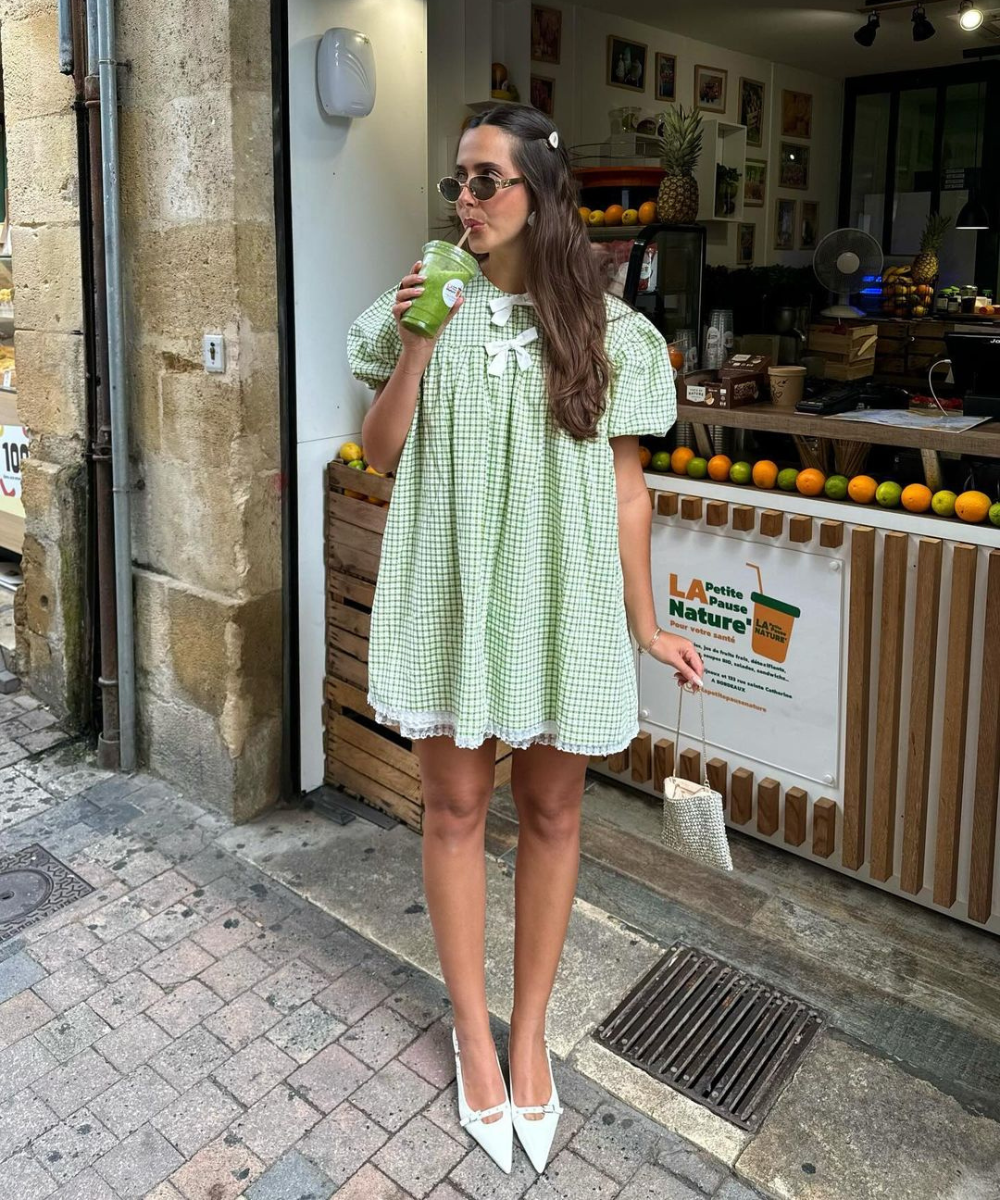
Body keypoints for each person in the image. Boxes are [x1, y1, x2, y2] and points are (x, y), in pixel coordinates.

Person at [347, 103, 704, 1176]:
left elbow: (628, 493)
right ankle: (472, 1031)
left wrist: (645, 619)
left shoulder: (614, 333)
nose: (464, 199)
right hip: (451, 594)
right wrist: (412, 346)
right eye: (457, 180)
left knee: (551, 814)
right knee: (454, 810)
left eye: (486, 181)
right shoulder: (421, 303)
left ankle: (531, 1028)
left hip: (562, 600)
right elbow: (378, 452)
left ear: (542, 196)